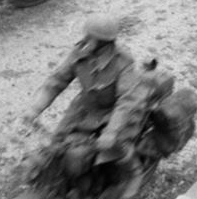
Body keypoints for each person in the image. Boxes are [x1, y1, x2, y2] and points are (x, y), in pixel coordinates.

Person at [23, 15, 148, 198]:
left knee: (117, 144)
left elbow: (127, 100)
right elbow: (57, 80)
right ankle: (64, 182)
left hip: (115, 112)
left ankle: (133, 173)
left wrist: (111, 132)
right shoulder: (80, 52)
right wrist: (35, 108)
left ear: (104, 42)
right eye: (86, 36)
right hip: (84, 109)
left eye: (91, 37)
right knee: (58, 142)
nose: (85, 40)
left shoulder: (123, 61)